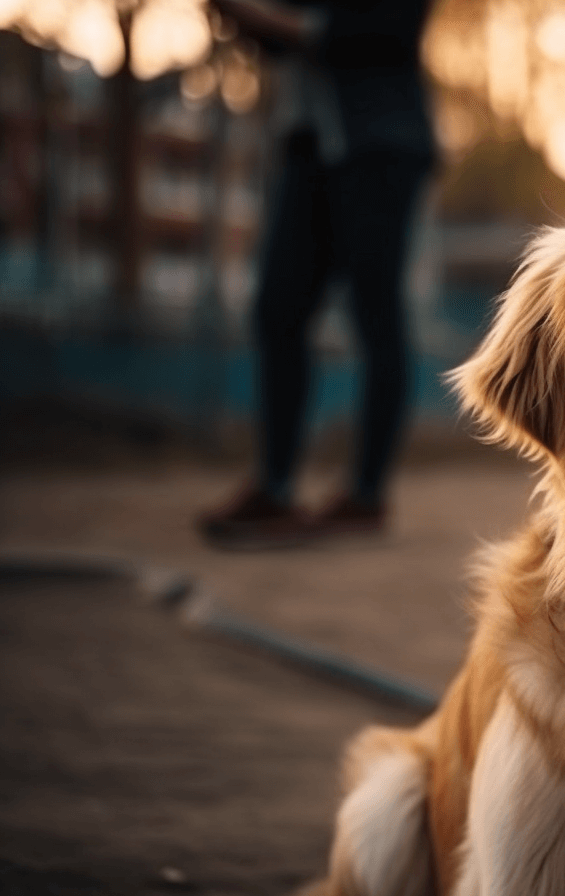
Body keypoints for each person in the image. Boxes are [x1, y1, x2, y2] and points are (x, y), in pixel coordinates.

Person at [198, 0, 436, 547]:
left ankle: (365, 493)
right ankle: (275, 486)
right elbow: (283, 39)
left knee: (375, 311)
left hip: (380, 144)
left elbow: (384, 30)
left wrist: (265, 18)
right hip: (309, 146)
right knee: (278, 306)